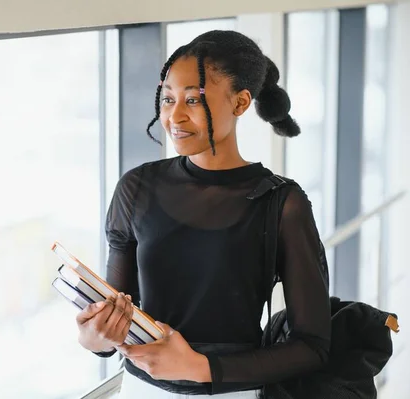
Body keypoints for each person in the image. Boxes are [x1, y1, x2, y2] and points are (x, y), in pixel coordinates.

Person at [75, 30, 331, 398]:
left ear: (241, 103)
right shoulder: (137, 188)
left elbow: (313, 346)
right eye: (167, 99)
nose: (174, 116)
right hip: (139, 390)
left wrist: (199, 367)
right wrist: (93, 335)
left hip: (231, 394)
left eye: (193, 100)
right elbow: (118, 311)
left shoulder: (282, 203)